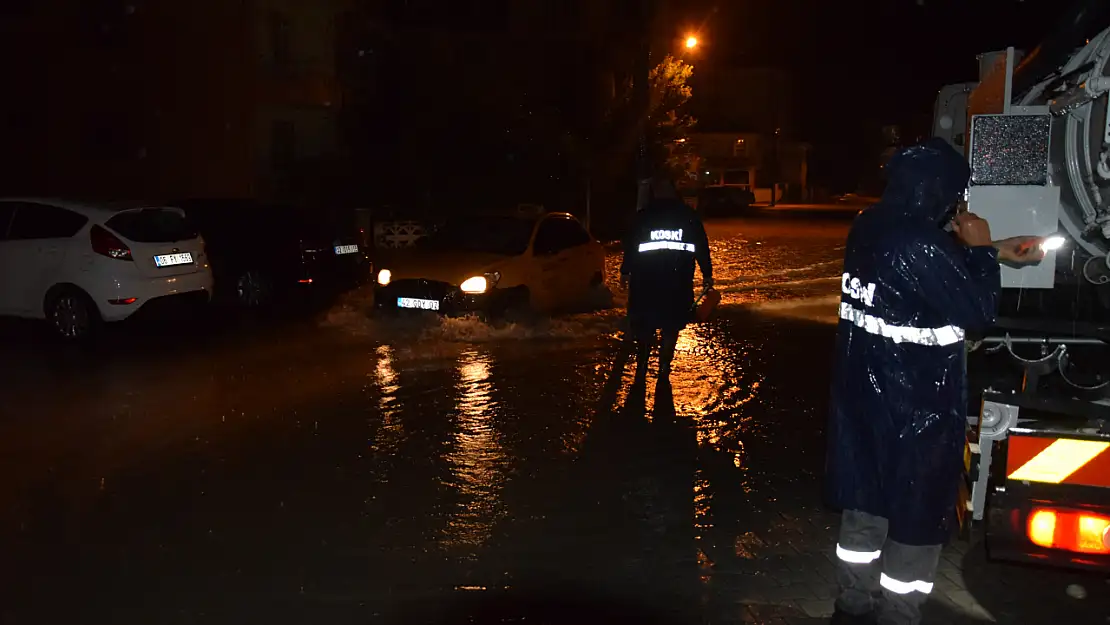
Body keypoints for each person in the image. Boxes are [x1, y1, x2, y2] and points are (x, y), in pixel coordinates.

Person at [826, 138, 1043, 625]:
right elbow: (978, 312)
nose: (956, 203)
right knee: (917, 514)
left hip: (864, 400)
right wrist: (985, 252)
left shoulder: (870, 225)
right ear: (934, 189)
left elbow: (919, 279)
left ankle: (851, 607)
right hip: (919, 406)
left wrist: (996, 249)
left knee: (865, 505)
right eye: (952, 193)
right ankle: (898, 615)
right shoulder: (919, 243)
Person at [620, 176, 713, 384]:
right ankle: (663, 371)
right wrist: (707, 275)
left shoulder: (643, 217)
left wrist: (625, 272)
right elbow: (701, 246)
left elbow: (631, 247)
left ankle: (642, 368)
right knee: (671, 327)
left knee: (645, 327)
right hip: (677, 284)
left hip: (646, 284)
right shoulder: (688, 216)